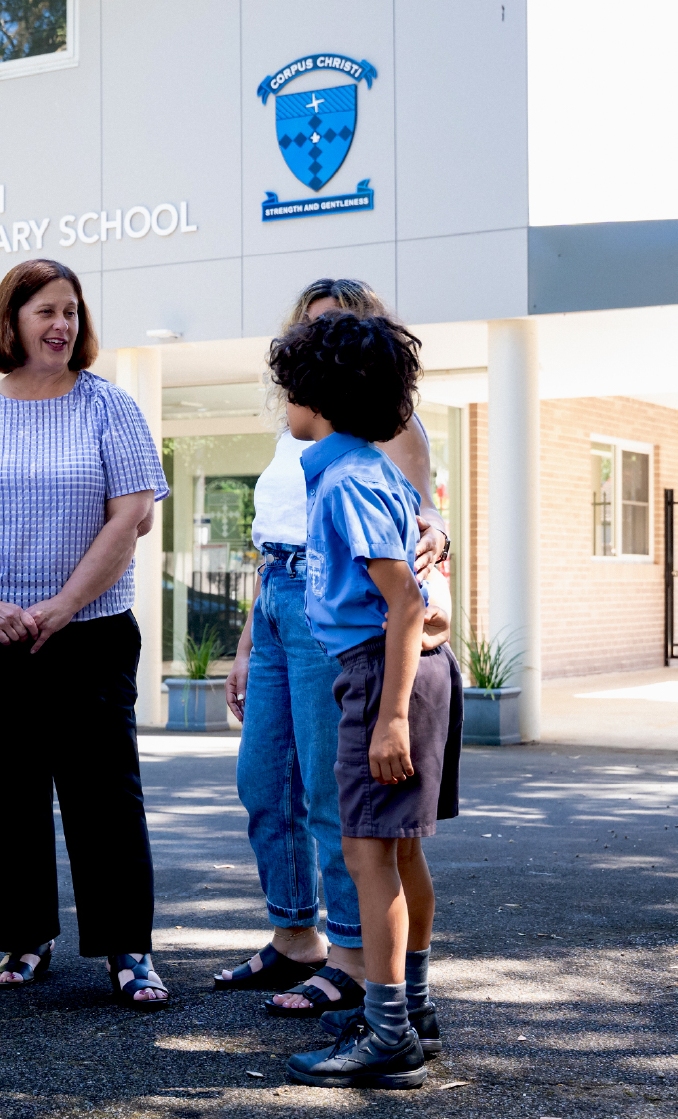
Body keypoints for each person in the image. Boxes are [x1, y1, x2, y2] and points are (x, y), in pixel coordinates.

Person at [0, 259, 172, 1008]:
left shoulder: (110, 407)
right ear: (11, 322)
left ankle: (127, 946)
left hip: (88, 630)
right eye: (43, 312)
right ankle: (25, 936)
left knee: (103, 793)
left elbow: (131, 515)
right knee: (5, 792)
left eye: (69, 310)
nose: (60, 324)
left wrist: (63, 603)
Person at [213, 278, 451, 1020]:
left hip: (345, 619)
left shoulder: (375, 433)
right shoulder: (302, 432)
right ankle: (295, 937)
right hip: (280, 598)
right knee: (264, 783)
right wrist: (250, 637)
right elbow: (281, 536)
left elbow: (415, 535)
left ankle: (356, 959)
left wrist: (433, 537)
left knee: (338, 798)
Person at [265, 312, 459, 1089]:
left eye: (289, 390)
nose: (284, 403)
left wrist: (387, 718)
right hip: (398, 671)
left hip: (385, 676)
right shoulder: (365, 471)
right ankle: (410, 1010)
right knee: (399, 848)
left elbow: (405, 602)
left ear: (320, 396)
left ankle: (387, 1035)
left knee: (366, 853)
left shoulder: (346, 481)